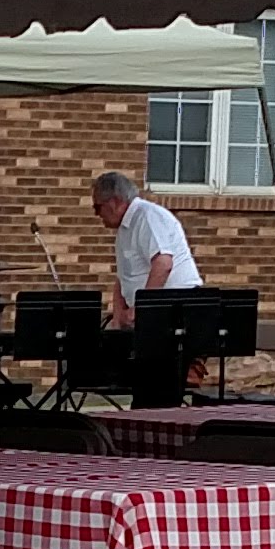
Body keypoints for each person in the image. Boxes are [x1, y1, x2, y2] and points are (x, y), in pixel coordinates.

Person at [89, 172, 205, 403]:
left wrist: (143, 307)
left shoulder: (148, 217)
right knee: (144, 379)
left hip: (176, 308)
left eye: (97, 207)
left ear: (114, 202)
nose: (97, 215)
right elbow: (124, 276)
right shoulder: (124, 230)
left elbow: (163, 263)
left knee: (159, 381)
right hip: (157, 309)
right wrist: (119, 311)